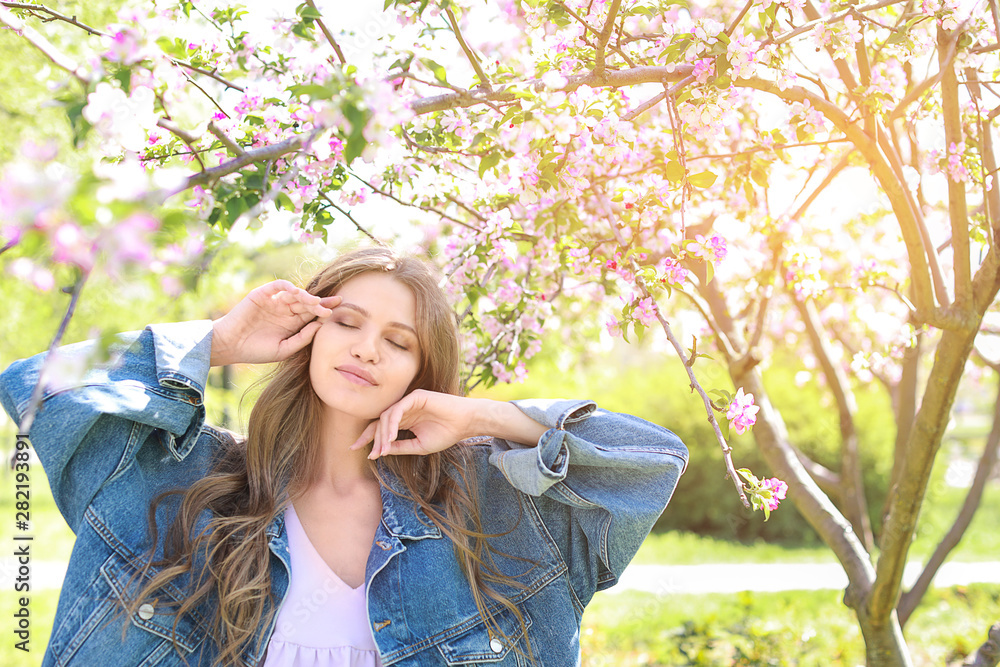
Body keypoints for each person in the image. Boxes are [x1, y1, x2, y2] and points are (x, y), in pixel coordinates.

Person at [0, 247, 688, 667]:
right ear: (307, 332)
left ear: (425, 367)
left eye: (399, 341)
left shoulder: (491, 506)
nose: (365, 348)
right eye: (347, 321)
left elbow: (651, 461)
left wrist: (480, 415)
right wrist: (219, 340)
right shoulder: (193, 487)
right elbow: (41, 387)